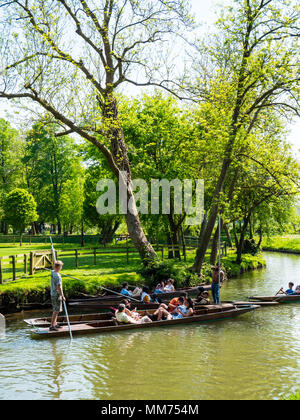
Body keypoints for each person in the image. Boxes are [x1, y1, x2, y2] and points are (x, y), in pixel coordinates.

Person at [50, 260, 65, 332]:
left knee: (56, 310)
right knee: (56, 311)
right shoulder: (57, 276)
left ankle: (55, 324)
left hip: (52, 294)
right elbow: (59, 287)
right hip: (56, 294)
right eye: (61, 266)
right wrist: (62, 296)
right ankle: (52, 326)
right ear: (59, 267)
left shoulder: (52, 272)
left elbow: (53, 270)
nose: (61, 268)